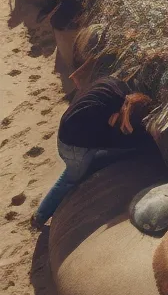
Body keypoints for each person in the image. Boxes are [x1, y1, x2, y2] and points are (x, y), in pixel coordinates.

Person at [33, 77, 155, 226]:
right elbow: (111, 142)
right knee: (71, 178)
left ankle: (91, 162)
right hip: (72, 144)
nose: (123, 130)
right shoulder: (97, 116)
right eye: (124, 127)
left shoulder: (121, 92)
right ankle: (40, 215)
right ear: (121, 112)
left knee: (103, 156)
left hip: (68, 123)